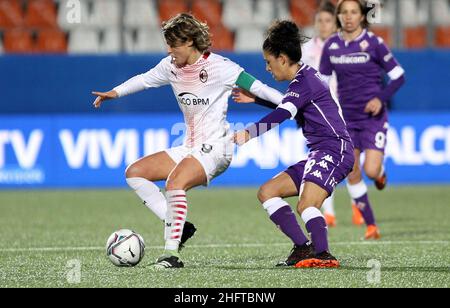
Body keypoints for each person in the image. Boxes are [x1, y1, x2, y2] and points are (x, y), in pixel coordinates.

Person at [92, 13, 284, 269]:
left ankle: (171, 255)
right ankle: (181, 228)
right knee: (135, 173)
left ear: (191, 42)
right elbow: (144, 80)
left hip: (217, 148)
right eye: (168, 45)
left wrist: (292, 102)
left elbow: (259, 88)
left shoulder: (221, 67)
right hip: (189, 147)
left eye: (174, 45)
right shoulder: (170, 66)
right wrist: (113, 93)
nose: (169, 50)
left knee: (175, 182)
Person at [234, 20, 355, 268]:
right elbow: (289, 105)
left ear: (282, 58)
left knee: (307, 204)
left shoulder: (304, 82)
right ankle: (302, 248)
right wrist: (256, 99)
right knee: (267, 192)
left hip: (335, 150)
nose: (267, 68)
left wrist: (250, 132)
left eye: (268, 62)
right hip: (321, 152)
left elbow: (284, 113)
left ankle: (323, 254)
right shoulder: (304, 78)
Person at [319, 0, 405, 239]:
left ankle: (379, 174)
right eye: (344, 12)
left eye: (353, 12)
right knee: (352, 171)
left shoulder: (374, 43)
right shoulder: (331, 47)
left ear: (361, 16)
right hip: (346, 119)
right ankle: (371, 226)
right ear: (338, 16)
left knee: (370, 169)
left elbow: (398, 76)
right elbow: (322, 83)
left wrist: (380, 97)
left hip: (372, 118)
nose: (348, 17)